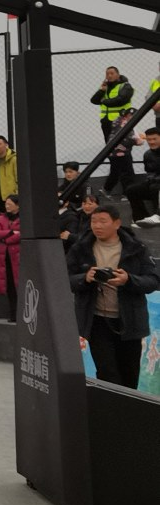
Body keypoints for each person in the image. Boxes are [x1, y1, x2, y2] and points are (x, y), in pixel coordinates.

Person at [68, 204, 159, 389]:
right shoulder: (80, 248)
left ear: (117, 223)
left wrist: (128, 280)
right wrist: (85, 278)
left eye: (103, 221)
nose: (97, 226)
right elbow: (64, 278)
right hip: (97, 321)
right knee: (107, 373)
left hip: (130, 322)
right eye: (94, 221)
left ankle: (126, 408)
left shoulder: (136, 248)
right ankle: (109, 407)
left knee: (129, 375)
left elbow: (152, 281)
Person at [0, 196, 21, 321]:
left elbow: (20, 235)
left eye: (10, 204)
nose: (7, 206)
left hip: (18, 256)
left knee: (19, 285)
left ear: (17, 205)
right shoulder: (1, 219)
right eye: (6, 204)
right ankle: (13, 314)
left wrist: (5, 239)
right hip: (4, 258)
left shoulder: (24, 218)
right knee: (9, 286)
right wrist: (10, 233)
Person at [125, 127, 160, 226]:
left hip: (157, 186)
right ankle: (140, 219)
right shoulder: (147, 154)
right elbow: (149, 172)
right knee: (131, 190)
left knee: (156, 187)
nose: (151, 142)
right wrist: (151, 181)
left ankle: (158, 216)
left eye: (154, 139)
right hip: (154, 183)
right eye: (149, 139)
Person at [92, 66, 135, 143]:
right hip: (106, 121)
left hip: (121, 120)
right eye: (107, 74)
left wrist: (104, 101)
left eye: (112, 73)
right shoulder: (106, 87)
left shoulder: (125, 86)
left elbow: (120, 100)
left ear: (118, 75)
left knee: (122, 144)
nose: (109, 76)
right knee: (109, 144)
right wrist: (102, 90)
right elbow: (94, 100)